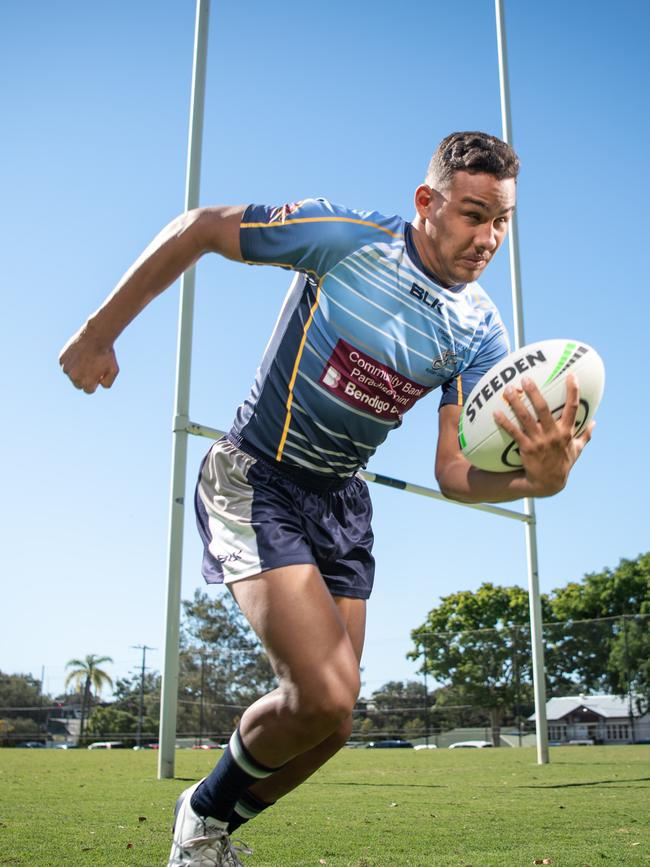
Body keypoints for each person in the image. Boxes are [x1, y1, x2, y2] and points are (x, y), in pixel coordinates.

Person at [59, 131, 593, 866]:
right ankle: (201, 812)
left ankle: (205, 829)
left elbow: (451, 471)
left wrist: (542, 478)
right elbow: (202, 228)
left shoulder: (481, 330)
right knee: (326, 691)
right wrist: (100, 332)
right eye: (473, 214)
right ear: (427, 201)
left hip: (341, 504)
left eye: (502, 220)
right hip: (257, 478)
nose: (489, 237)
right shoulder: (346, 239)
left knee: (332, 723)